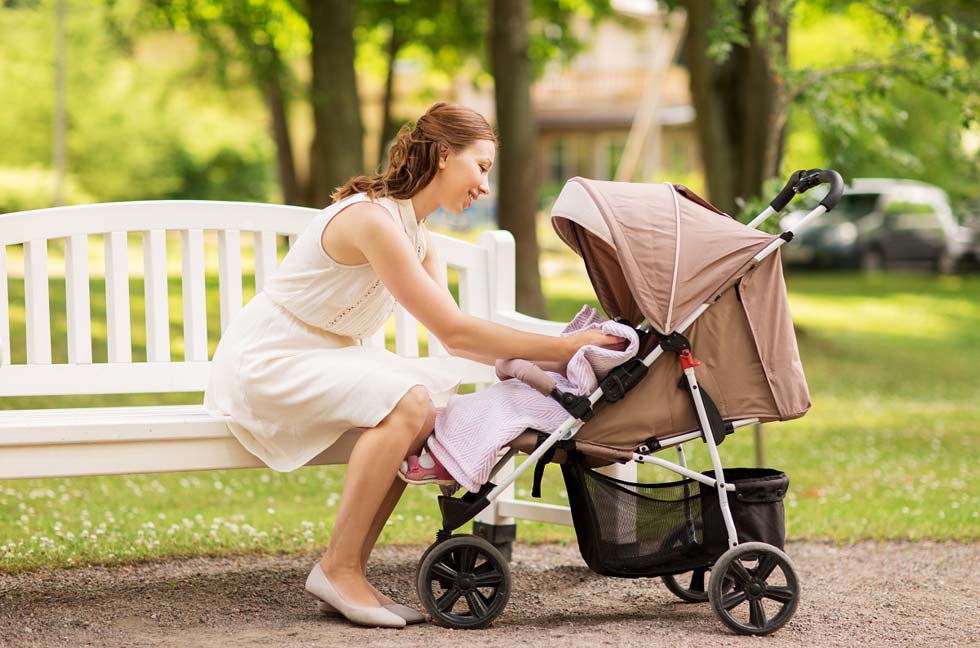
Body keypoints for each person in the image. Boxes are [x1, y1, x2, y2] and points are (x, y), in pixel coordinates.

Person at [203, 102, 624, 629]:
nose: (485, 187)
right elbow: (454, 332)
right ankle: (339, 568)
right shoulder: (371, 220)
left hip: (328, 356)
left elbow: (458, 337)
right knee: (409, 401)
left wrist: (565, 352)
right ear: (444, 155)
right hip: (270, 360)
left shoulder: (416, 235)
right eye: (482, 167)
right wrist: (564, 347)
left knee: (421, 406)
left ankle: (348, 569)